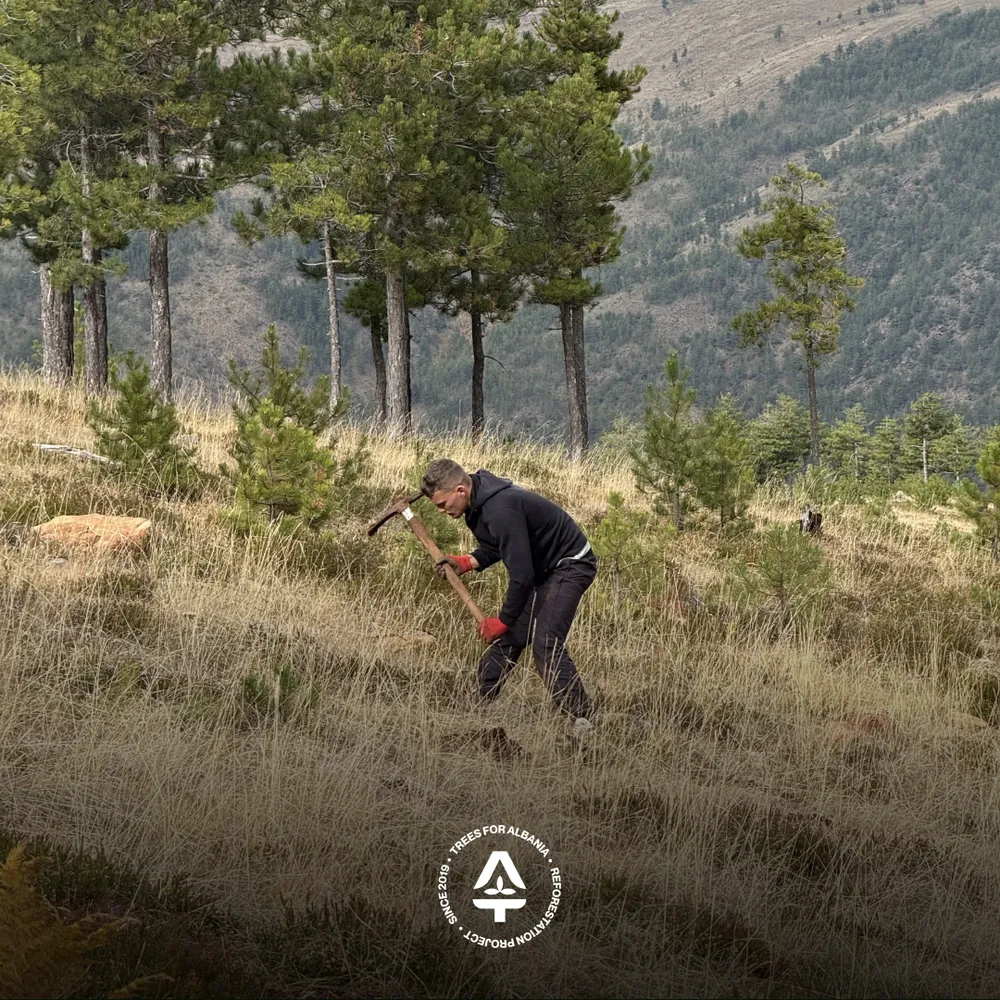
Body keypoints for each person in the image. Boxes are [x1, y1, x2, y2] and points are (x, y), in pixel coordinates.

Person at [420, 458, 596, 734]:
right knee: (512, 638)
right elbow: (498, 545)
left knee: (545, 642)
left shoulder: (499, 508)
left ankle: (582, 722)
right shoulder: (477, 505)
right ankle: (479, 699)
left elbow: (522, 575)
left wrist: (503, 619)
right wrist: (467, 561)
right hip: (546, 570)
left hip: (570, 565)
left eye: (443, 504)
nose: (442, 511)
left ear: (460, 490)